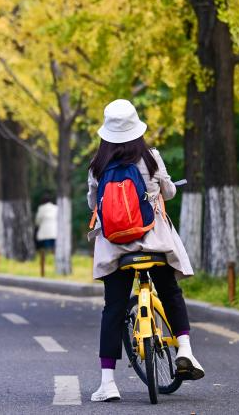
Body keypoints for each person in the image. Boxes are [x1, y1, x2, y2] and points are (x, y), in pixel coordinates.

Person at [87, 99, 204, 403]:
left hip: (115, 250)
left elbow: (93, 204)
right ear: (136, 128)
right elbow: (167, 191)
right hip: (154, 244)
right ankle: (186, 349)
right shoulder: (151, 158)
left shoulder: (97, 166)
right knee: (170, 291)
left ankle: (108, 382)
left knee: (113, 309)